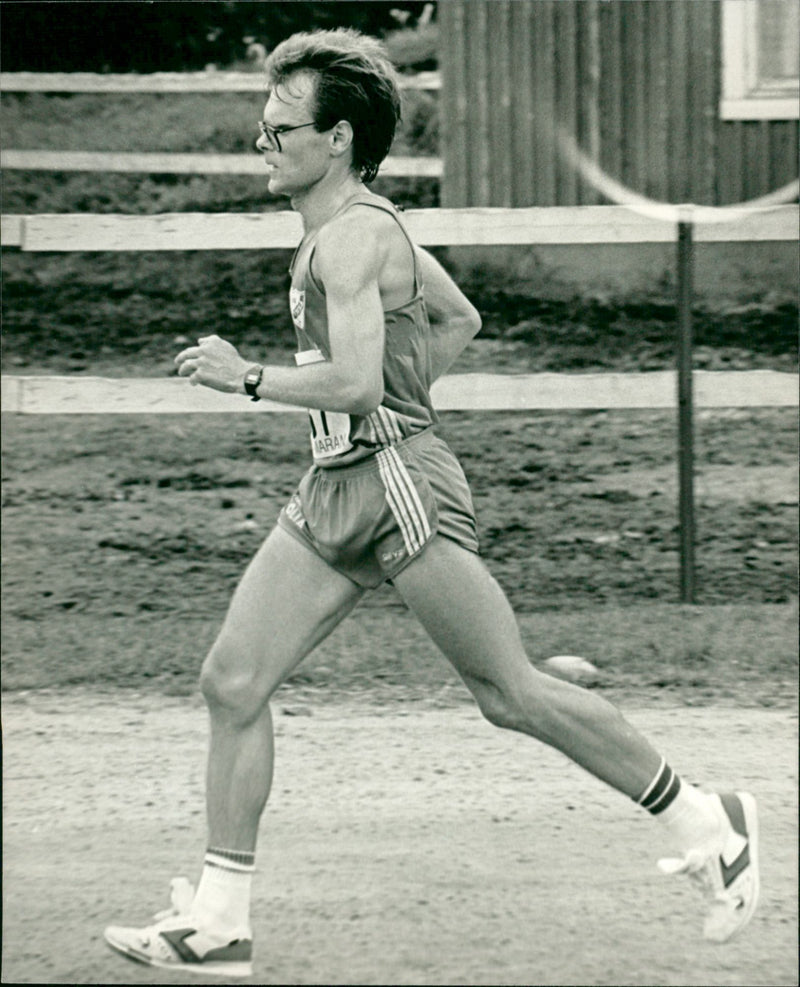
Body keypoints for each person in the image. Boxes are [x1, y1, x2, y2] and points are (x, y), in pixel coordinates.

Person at [104, 28, 759, 978]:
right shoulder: (363, 225)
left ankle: (706, 815)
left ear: (336, 138)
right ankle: (218, 920)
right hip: (340, 483)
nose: (263, 143)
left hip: (395, 483)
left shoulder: (355, 235)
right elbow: (460, 318)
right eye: (263, 124)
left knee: (511, 693)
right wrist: (398, 407)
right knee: (233, 681)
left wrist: (246, 377)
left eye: (280, 127)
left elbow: (361, 382)